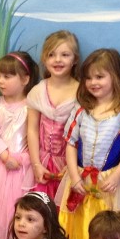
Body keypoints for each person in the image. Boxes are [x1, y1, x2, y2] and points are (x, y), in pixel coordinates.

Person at [55, 48, 120, 239]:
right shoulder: (81, 109)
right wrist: (74, 176)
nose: (93, 82)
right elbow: (71, 144)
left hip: (108, 181)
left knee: (104, 228)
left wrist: (117, 175)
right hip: (79, 178)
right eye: (88, 77)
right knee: (75, 225)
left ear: (114, 76)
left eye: (100, 76)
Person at [0, 51, 38, 239]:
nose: (1, 81)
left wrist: (23, 158)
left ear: (25, 79)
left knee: (17, 207)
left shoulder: (31, 105)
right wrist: (5, 156)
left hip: (23, 165)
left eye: (7, 76)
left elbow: (34, 135)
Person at [27, 30, 81, 200]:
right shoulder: (37, 91)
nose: (58, 60)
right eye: (51, 54)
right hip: (42, 162)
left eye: (65, 55)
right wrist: (36, 164)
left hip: (70, 164)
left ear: (75, 59)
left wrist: (72, 167)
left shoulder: (81, 93)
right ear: (44, 59)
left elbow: (83, 135)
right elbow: (32, 130)